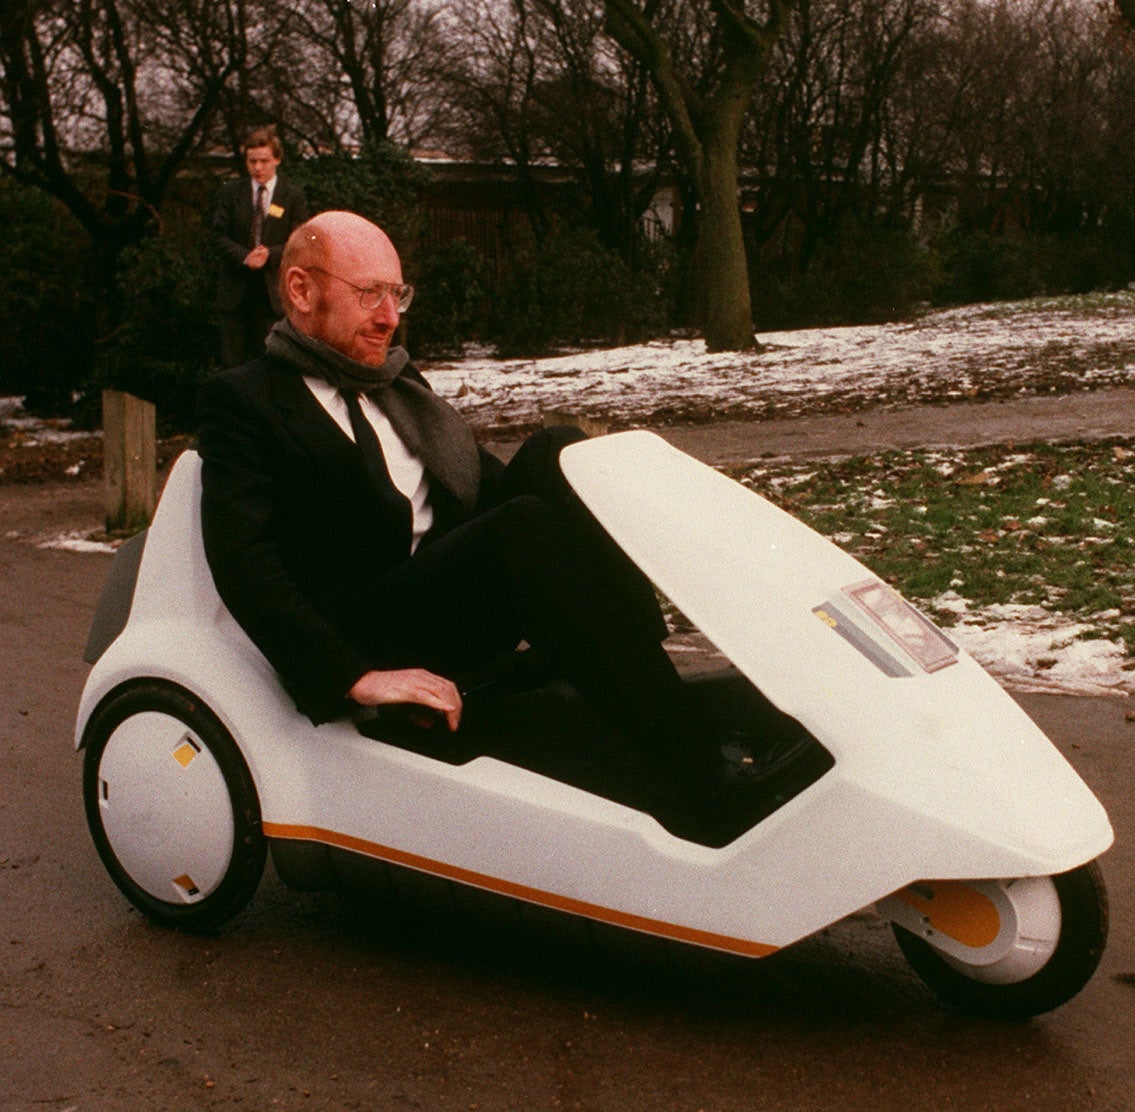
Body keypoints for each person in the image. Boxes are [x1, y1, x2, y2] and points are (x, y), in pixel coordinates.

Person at [197, 211, 811, 846]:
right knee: (521, 531)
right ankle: (698, 774)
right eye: (368, 295)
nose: (390, 317)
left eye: (397, 293)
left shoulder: (394, 383)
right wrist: (354, 677)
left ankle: (642, 669)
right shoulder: (244, 402)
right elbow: (244, 562)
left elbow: (475, 487)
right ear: (300, 290)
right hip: (369, 623)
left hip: (442, 591)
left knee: (561, 453)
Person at [213, 129, 309, 369]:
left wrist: (271, 255)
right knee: (232, 364)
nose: (257, 167)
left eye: (264, 161)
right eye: (252, 161)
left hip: (272, 295)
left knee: (270, 362)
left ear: (276, 159)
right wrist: (245, 257)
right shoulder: (230, 192)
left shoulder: (292, 196)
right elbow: (217, 236)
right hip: (235, 293)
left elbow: (300, 241)